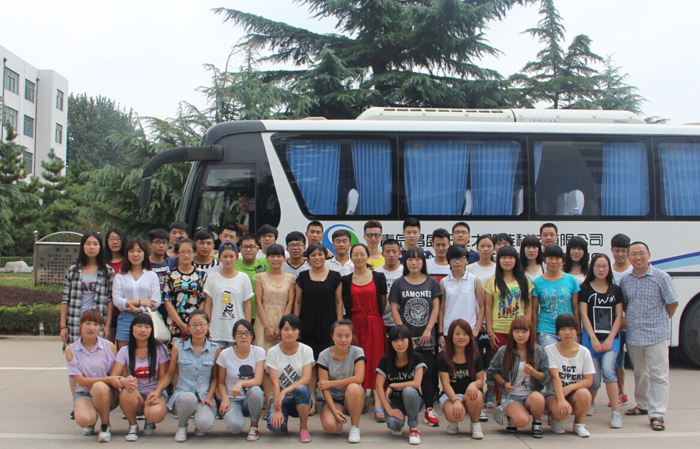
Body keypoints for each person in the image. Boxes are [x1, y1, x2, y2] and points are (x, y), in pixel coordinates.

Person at [619, 241, 678, 431]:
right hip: (635, 335)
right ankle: (643, 404)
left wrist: (660, 321)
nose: (638, 257)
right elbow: (625, 304)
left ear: (649, 255)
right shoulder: (625, 280)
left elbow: (672, 303)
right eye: (634, 254)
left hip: (656, 335)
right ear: (628, 257)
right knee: (639, 372)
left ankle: (657, 414)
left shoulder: (661, 277)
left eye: (641, 253)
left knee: (659, 375)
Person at [388, 247, 441, 427]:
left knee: (427, 375)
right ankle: (404, 409)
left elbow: (436, 307)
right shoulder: (399, 283)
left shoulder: (432, 282)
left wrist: (428, 329)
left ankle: (429, 409)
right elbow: (394, 308)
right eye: (410, 259)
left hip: (426, 338)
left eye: (418, 259)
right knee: (405, 375)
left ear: (423, 262)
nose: (414, 262)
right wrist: (403, 334)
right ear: (405, 262)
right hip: (405, 340)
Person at [61, 232, 115, 406]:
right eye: (88, 243)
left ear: (101, 247)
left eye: (95, 244)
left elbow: (110, 300)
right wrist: (63, 326)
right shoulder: (73, 271)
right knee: (75, 363)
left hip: (97, 322)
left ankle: (99, 398)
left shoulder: (108, 271)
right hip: (75, 321)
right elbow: (65, 300)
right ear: (82, 246)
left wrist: (107, 324)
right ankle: (77, 401)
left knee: (98, 361)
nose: (92, 247)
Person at [150, 310, 220, 442]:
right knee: (188, 398)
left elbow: (215, 378)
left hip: (204, 396)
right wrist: (157, 391)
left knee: (204, 425)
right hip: (183, 396)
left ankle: (199, 422)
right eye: (194, 325)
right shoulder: (178, 347)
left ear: (208, 325)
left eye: (201, 324)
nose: (198, 329)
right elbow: (169, 374)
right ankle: (182, 426)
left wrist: (210, 396)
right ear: (188, 327)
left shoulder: (214, 349)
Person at [341, 243, 387, 422]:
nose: (359, 258)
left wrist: (373, 316)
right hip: (355, 324)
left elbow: (382, 302)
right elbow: (345, 302)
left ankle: (378, 401)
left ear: (368, 256)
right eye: (355, 254)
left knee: (376, 359)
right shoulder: (346, 280)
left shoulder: (378, 277)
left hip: (374, 322)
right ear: (351, 257)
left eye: (362, 254)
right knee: (356, 360)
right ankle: (359, 396)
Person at [295, 242, 343, 413]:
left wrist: (339, 326)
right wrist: (296, 326)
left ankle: (329, 399)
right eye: (313, 255)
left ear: (325, 256)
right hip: (307, 324)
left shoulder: (335, 276)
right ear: (308, 258)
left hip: (328, 325)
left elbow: (339, 302)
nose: (317, 258)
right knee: (310, 363)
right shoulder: (302, 276)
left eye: (320, 254)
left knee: (325, 363)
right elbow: (298, 302)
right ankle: (312, 400)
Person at [579, 253, 624, 428]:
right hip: (591, 339)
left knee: (608, 370)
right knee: (594, 378)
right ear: (592, 268)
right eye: (598, 266)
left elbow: (619, 315)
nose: (601, 269)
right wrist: (593, 338)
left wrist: (611, 338)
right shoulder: (585, 289)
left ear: (609, 268)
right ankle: (589, 404)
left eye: (604, 266)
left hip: (612, 339)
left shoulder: (616, 290)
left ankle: (616, 413)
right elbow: (583, 315)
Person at [111, 313, 170, 441]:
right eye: (139, 326)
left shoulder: (160, 349)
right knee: (125, 393)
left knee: (155, 414)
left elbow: (164, 377)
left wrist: (156, 392)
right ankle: (133, 425)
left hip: (155, 393)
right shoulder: (124, 350)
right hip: (135, 393)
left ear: (152, 330)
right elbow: (114, 376)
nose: (143, 330)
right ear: (132, 328)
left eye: (147, 327)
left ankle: (150, 420)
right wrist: (124, 381)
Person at [487, 316, 549, 438]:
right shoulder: (504, 351)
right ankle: (512, 417)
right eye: (517, 331)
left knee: (538, 398)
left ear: (530, 332)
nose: (520, 335)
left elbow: (546, 377)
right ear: (512, 333)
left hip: (531, 395)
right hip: (512, 396)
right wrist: (504, 383)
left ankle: (537, 422)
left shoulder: (539, 351)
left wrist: (534, 372)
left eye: (524, 331)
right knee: (522, 421)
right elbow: (492, 371)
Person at [65, 310, 122, 442]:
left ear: (100, 327)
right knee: (84, 420)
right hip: (84, 393)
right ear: (80, 325)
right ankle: (91, 419)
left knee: (99, 387)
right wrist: (108, 379)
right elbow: (81, 381)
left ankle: (105, 424)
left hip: (106, 393)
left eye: (95, 324)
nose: (91, 328)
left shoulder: (109, 346)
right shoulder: (71, 349)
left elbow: (116, 373)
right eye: (88, 323)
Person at [266, 314, 315, 443]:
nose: (290, 333)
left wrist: (285, 391)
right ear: (280, 331)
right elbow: (274, 382)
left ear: (299, 332)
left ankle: (303, 428)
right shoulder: (272, 352)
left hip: (299, 397)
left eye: (294, 329)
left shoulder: (306, 350)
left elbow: (306, 379)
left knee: (302, 390)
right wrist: (278, 409)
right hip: (279, 398)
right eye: (286, 329)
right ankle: (284, 421)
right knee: (275, 426)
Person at [543, 314, 594, 438]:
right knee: (562, 412)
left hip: (573, 392)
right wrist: (561, 400)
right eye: (563, 329)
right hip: (554, 394)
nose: (567, 333)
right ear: (557, 332)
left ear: (576, 331)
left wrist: (570, 387)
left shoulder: (584, 352)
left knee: (585, 394)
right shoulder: (549, 350)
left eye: (571, 329)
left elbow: (588, 380)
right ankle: (555, 418)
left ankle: (578, 424)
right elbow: (555, 376)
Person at [375, 325, 426, 445]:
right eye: (395, 340)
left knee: (408, 390)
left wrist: (393, 385)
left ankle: (413, 428)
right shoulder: (385, 360)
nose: (399, 344)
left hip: (413, 399)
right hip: (395, 401)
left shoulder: (417, 358)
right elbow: (378, 386)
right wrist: (388, 409)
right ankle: (398, 423)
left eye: (403, 339)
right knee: (394, 424)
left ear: (409, 340)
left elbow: (416, 383)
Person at [317, 320, 366, 443]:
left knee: (354, 387)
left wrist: (330, 383)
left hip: (353, 396)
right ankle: (338, 419)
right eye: (339, 336)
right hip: (333, 398)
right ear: (332, 336)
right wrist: (334, 410)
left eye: (347, 336)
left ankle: (355, 427)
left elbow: (358, 378)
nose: (343, 340)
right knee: (330, 426)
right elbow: (323, 387)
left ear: (352, 336)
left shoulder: (358, 351)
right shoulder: (323, 355)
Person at [217, 319, 266, 441]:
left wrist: (240, 383)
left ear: (252, 335)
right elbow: (220, 382)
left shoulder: (259, 352)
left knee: (256, 391)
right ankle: (233, 415)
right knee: (235, 428)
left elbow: (258, 380)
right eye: (239, 333)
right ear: (234, 336)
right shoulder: (225, 354)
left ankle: (254, 427)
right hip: (232, 399)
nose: (243, 336)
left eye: (247, 333)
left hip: (250, 398)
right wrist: (224, 398)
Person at [438, 319, 485, 439]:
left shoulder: (475, 356)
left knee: (477, 395)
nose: (461, 337)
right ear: (451, 336)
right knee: (454, 414)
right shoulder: (443, 358)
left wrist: (474, 385)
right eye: (457, 334)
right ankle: (453, 422)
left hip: (469, 394)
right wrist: (455, 400)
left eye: (465, 334)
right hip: (450, 396)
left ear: (470, 336)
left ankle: (475, 424)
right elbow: (446, 384)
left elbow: (480, 380)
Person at [112, 238, 161, 349]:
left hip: (146, 317)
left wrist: (139, 310)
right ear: (127, 254)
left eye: (139, 251)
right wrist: (141, 302)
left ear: (144, 253)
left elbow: (156, 301)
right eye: (131, 251)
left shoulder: (151, 275)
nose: (135, 255)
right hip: (125, 318)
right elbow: (117, 301)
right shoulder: (120, 276)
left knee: (144, 353)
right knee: (124, 353)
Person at [203, 241, 253, 348]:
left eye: (231, 256)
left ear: (237, 257)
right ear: (220, 258)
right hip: (217, 329)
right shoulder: (212, 278)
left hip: (237, 329)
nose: (228, 260)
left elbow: (247, 304)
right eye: (225, 256)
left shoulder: (243, 278)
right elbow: (208, 304)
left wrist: (247, 326)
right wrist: (207, 324)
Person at [485, 246, 534, 350]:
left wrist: (526, 326)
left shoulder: (524, 281)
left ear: (516, 260)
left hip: (519, 330)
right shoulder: (491, 281)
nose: (507, 261)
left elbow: (528, 305)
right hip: (498, 330)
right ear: (498, 260)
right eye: (503, 257)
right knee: (501, 359)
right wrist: (490, 331)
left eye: (511, 258)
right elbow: (488, 307)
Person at [531, 245, 580, 346]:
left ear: (562, 260)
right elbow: (534, 311)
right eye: (550, 258)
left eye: (557, 258)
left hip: (568, 329)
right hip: (546, 329)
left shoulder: (571, 280)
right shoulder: (537, 283)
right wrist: (534, 336)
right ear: (545, 259)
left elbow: (575, 308)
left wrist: (578, 332)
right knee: (551, 354)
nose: (553, 261)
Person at [439, 244, 485, 349]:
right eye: (453, 259)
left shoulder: (474, 280)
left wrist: (477, 329)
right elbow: (441, 309)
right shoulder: (444, 282)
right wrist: (440, 333)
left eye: (461, 258)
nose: (457, 262)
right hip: (449, 331)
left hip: (470, 330)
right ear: (449, 261)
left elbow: (482, 306)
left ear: (466, 260)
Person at [163, 239, 208, 341]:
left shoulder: (201, 275)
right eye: (182, 252)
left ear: (194, 253)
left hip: (196, 326)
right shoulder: (170, 275)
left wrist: (195, 322)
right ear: (177, 254)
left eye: (189, 252)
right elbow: (167, 301)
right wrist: (181, 324)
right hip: (175, 323)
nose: (186, 255)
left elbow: (203, 300)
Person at [254, 243, 296, 350]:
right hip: (263, 320)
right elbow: (258, 302)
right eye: (272, 256)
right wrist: (267, 327)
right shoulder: (260, 277)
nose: (275, 259)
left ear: (284, 258)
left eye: (279, 256)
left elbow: (290, 303)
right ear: (267, 258)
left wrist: (282, 326)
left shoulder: (291, 278)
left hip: (283, 319)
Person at [610, 233, 633, 406]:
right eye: (617, 250)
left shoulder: (634, 270)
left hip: (631, 324)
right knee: (617, 361)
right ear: (611, 250)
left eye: (623, 251)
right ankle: (619, 393)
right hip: (613, 325)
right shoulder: (607, 270)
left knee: (636, 362)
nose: (620, 254)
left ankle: (625, 393)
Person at [235, 233, 270, 321]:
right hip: (238, 315)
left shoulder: (266, 262)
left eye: (251, 246)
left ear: (258, 249)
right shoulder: (233, 262)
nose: (248, 249)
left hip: (260, 316)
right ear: (240, 249)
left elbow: (283, 258)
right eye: (245, 247)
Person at [375, 239, 403, 338]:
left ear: (399, 253)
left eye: (394, 251)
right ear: (382, 254)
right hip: (381, 321)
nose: (391, 255)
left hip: (401, 321)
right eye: (388, 251)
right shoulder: (375, 273)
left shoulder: (405, 273)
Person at [148, 228, 176, 323]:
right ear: (150, 245)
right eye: (157, 242)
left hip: (168, 309)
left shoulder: (172, 262)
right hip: (149, 308)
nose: (161, 245)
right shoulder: (143, 264)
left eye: (164, 242)